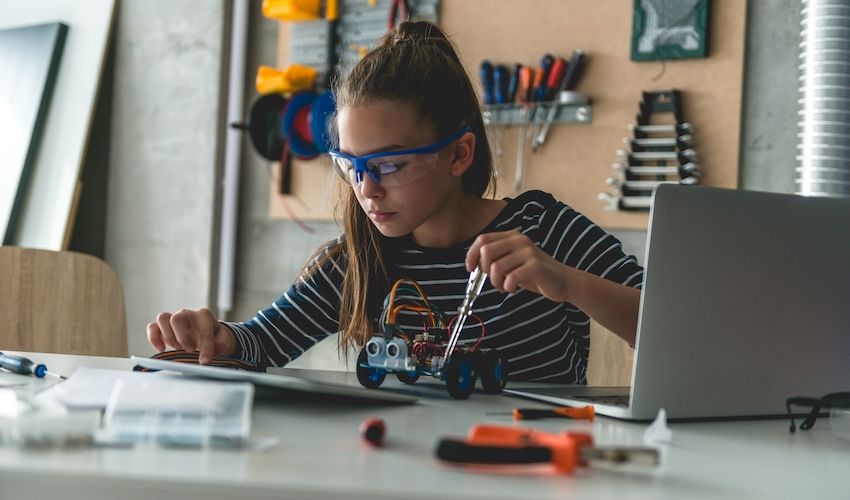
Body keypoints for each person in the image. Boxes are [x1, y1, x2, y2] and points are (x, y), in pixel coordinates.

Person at [147, 21, 643, 384]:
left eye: (389, 165)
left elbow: (671, 328)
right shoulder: (365, 255)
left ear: (459, 153)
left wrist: (567, 282)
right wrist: (214, 338)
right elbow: (263, 343)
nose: (366, 188)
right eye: (350, 165)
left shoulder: (542, 229)